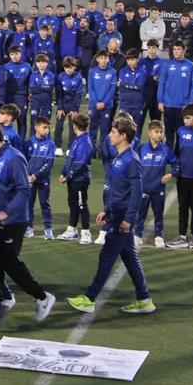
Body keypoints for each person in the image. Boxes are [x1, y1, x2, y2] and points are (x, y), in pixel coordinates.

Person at [67, 116, 156, 315]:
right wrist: (107, 211)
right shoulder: (119, 157)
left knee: (106, 256)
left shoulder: (131, 160)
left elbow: (136, 193)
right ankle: (144, 299)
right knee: (130, 258)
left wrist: (128, 219)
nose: (109, 135)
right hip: (115, 213)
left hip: (121, 218)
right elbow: (119, 191)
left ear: (123, 136)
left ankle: (89, 298)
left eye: (113, 132)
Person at [0, 120, 56, 322]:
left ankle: (43, 297)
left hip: (14, 221)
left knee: (10, 263)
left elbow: (23, 190)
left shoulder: (14, 158)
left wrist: (7, 213)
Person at [168, 104, 193, 249]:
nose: (185, 121)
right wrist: (176, 169)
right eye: (184, 118)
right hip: (183, 176)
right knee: (183, 206)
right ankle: (181, 236)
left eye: (188, 118)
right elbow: (176, 152)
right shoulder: (180, 131)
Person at [134, 119, 175, 248]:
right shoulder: (141, 148)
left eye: (161, 132)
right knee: (140, 213)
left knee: (158, 213)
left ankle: (159, 235)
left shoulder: (166, 149)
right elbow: (133, 164)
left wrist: (171, 174)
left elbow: (177, 164)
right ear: (149, 133)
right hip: (143, 188)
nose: (159, 134)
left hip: (158, 188)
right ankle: (137, 234)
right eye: (156, 131)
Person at [57, 113, 93, 243]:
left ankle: (86, 233)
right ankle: (72, 230)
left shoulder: (84, 142)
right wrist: (63, 172)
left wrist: (68, 175)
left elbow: (80, 163)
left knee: (81, 204)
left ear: (74, 127)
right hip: (73, 179)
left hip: (80, 179)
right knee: (73, 204)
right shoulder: (78, 140)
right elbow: (70, 160)